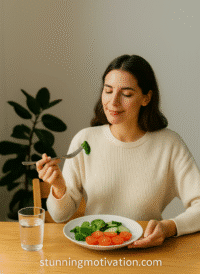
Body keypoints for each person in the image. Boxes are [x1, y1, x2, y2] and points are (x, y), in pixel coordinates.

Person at [36, 54, 200, 248]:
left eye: (126, 94)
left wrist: (169, 227)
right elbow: (60, 215)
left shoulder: (169, 144)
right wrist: (58, 187)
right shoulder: (85, 139)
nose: (113, 102)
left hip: (146, 252)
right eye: (108, 91)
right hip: (94, 251)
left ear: (146, 98)